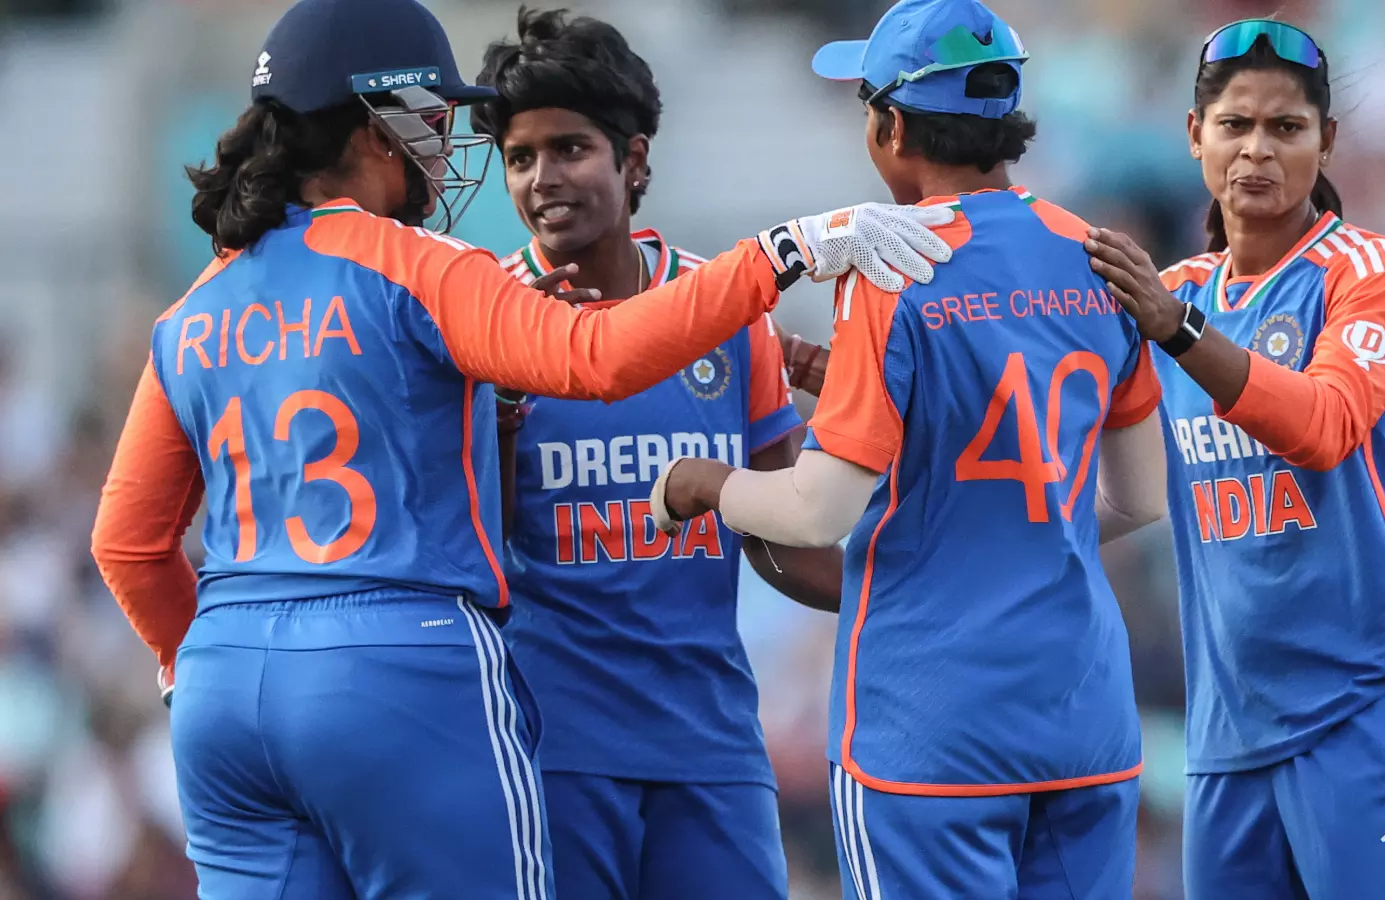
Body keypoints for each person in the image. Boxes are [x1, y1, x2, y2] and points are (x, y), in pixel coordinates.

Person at [86, 0, 959, 896]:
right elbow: (600, 354)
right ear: (371, 124)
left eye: (569, 148)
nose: (451, 144)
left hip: (234, 693)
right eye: (439, 118)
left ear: (635, 158)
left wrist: (199, 663)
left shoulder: (195, 306)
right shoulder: (435, 275)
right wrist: (787, 249)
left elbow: (126, 543)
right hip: (445, 689)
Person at [647, 1, 1168, 897]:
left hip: (930, 729)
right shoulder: (1097, 254)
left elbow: (817, 511)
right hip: (1084, 716)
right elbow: (1138, 500)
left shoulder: (893, 270)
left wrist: (703, 485)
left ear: (891, 127)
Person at [1083, 18, 1385, 900]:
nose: (1258, 150)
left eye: (1287, 128)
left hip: (1369, 712)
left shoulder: (1374, 273)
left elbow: (1325, 424)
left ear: (1326, 141)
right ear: (1194, 136)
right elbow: (1032, 412)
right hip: (1228, 738)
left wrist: (1178, 334)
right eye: (1235, 125)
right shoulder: (1168, 296)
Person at [467, 9, 842, 899]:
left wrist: (903, 588)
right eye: (520, 158)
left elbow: (781, 534)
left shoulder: (726, 313)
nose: (542, 180)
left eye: (570, 149)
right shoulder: (482, 321)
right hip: (550, 751)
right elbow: (463, 539)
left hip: (709, 746)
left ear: (634, 161)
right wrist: (506, 417)